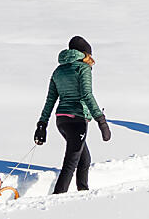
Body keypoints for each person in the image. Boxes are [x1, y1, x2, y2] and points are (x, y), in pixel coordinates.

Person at [34, 35, 112, 194]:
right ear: (85, 53)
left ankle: (83, 191)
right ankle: (56, 197)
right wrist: (101, 121)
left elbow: (50, 100)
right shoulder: (83, 68)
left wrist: (42, 125)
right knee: (71, 162)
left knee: (84, 159)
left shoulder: (58, 70)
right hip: (77, 120)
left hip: (61, 120)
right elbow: (86, 95)